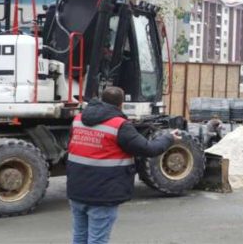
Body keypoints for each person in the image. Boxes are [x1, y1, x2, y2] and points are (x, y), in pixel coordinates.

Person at [67, 86, 181, 244]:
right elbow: (149, 149)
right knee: (97, 240)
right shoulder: (120, 126)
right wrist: (168, 138)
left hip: (77, 191)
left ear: (101, 99)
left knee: (79, 237)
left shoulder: (78, 119)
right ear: (121, 105)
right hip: (103, 194)